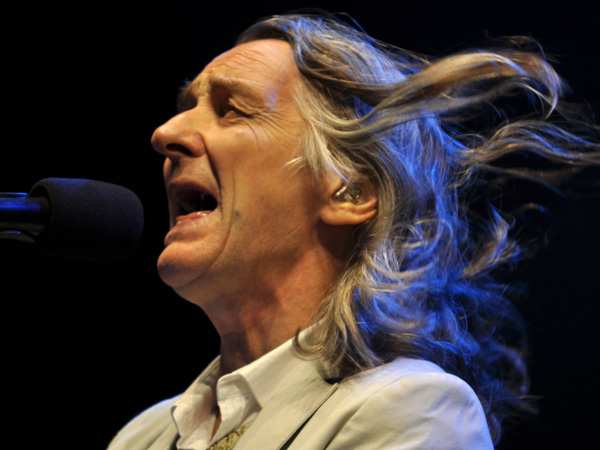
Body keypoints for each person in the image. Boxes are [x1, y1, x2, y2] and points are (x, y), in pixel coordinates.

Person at [108, 12, 600, 450]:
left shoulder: (408, 410)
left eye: (231, 108)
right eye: (186, 105)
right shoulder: (140, 437)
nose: (165, 133)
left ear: (350, 190)